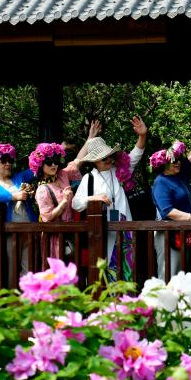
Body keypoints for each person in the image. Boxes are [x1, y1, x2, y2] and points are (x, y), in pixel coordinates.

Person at [72, 117, 148, 282]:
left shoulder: (119, 171)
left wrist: (142, 135)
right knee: (106, 277)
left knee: (127, 276)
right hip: (102, 233)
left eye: (110, 156)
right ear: (94, 161)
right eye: (104, 158)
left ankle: (126, 300)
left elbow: (136, 154)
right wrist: (94, 198)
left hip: (125, 230)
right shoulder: (89, 179)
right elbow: (76, 204)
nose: (109, 160)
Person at [151, 111, 191, 279]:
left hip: (184, 232)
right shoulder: (161, 182)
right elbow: (168, 211)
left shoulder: (181, 174)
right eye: (173, 161)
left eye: (178, 159)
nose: (177, 162)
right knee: (169, 275)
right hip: (168, 234)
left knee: (182, 275)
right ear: (163, 164)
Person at [32, 139, 90, 262]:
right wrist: (64, 201)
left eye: (56, 161)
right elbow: (47, 217)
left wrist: (90, 138)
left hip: (71, 232)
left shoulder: (62, 175)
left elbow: (77, 161)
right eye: (49, 162)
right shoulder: (42, 189)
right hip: (55, 236)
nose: (53, 165)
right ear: (40, 164)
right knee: (59, 269)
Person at [0, 143, 35, 223]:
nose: (8, 164)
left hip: (32, 226)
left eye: (10, 161)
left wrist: (42, 154)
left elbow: (36, 169)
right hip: (10, 229)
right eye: (3, 161)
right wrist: (13, 197)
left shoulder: (20, 177)